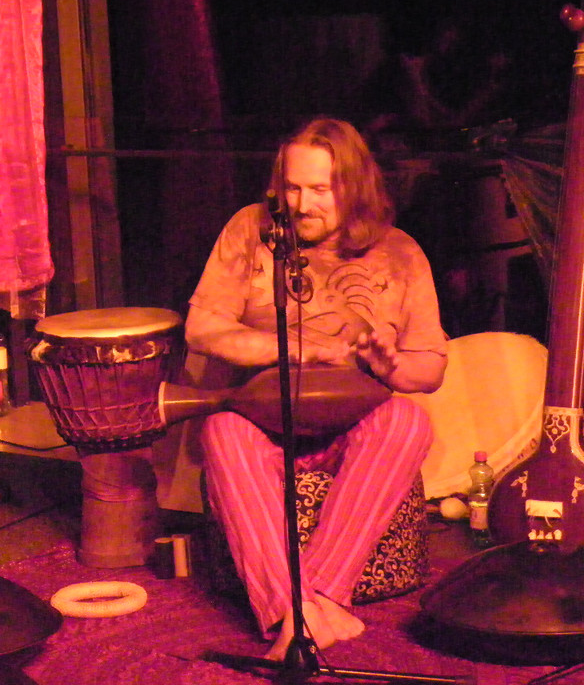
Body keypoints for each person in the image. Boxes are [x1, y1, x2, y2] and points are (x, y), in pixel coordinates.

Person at [185, 117, 447, 659]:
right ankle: (297, 611)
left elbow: (430, 371)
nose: (302, 205)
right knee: (221, 430)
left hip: (349, 424)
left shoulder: (400, 252)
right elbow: (202, 329)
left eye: (320, 190)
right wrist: (297, 349)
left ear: (354, 187)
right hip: (263, 420)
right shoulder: (250, 229)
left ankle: (316, 598)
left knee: (406, 421)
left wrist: (391, 366)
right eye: (292, 187)